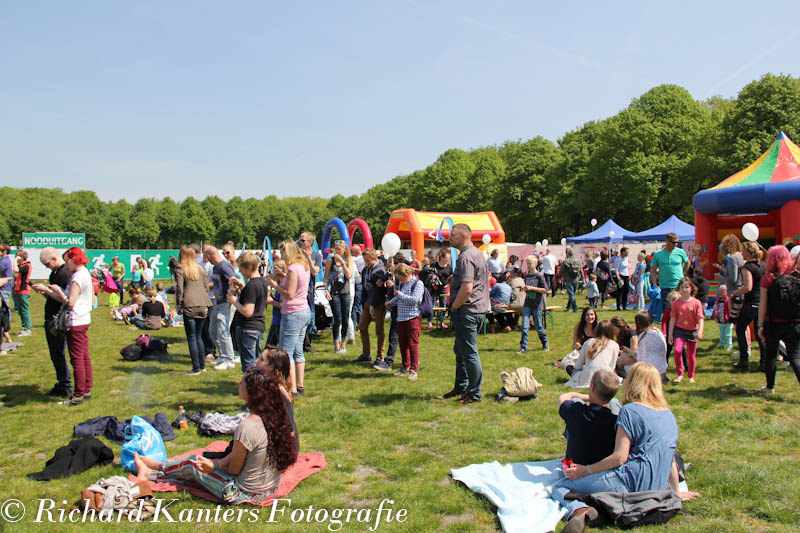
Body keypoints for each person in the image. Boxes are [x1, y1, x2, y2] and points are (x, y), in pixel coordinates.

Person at [553, 362, 698, 532]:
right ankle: (594, 509)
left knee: (560, 487)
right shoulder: (668, 414)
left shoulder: (630, 411)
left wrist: (587, 470)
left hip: (631, 483)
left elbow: (619, 457)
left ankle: (579, 510)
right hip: (657, 488)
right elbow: (670, 460)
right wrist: (675, 493)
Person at [133, 367, 297, 504]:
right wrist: (216, 465)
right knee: (201, 468)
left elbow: (234, 469)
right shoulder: (276, 416)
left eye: (241, 382)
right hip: (271, 486)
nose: (238, 385)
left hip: (243, 493)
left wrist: (216, 466)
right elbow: (240, 455)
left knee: (192, 465)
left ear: (251, 392)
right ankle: (153, 473)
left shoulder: (247, 426)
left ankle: (159, 467)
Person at [441, 223, 489, 404]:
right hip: (477, 309)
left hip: (467, 310)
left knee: (468, 352)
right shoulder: (477, 254)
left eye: (452, 234)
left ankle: (474, 393)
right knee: (461, 350)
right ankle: (461, 387)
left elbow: (467, 288)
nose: (449, 237)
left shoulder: (466, 256)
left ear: (463, 236)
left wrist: (454, 306)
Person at [46, 247, 94, 406]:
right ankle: (86, 389)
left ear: (74, 259)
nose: (66, 264)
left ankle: (78, 394)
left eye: (67, 260)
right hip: (84, 319)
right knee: (84, 356)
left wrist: (58, 291)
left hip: (75, 321)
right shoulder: (85, 273)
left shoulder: (78, 277)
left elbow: (70, 301)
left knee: (77, 359)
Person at [267, 240, 310, 397]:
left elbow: (290, 294)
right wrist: (283, 277)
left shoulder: (292, 268)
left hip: (292, 313)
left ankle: (291, 389)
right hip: (303, 311)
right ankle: (300, 385)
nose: (281, 255)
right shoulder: (302, 266)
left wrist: (275, 285)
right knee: (298, 351)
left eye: (283, 251)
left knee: (287, 352)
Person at [757, 245, 800, 394]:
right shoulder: (794, 276)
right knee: (795, 356)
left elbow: (763, 304)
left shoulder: (768, 278)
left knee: (771, 356)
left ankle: (770, 387)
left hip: (773, 323)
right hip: (794, 322)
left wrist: (760, 324)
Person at [31, 247, 73, 397]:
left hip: (58, 319)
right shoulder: (55, 272)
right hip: (52, 316)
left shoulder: (64, 273)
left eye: (47, 264)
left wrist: (48, 291)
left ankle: (66, 385)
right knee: (55, 354)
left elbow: (66, 299)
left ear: (54, 259)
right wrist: (45, 293)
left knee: (58, 353)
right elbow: (54, 296)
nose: (46, 267)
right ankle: (62, 382)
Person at [558, 369, 620, 466]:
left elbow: (564, 397)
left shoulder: (576, 412)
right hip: (603, 466)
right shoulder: (617, 422)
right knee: (615, 402)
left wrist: (586, 396)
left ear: (592, 388)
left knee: (575, 400)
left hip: (575, 465)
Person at [174, 245, 213, 376]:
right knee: (199, 336)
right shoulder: (200, 269)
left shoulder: (180, 268)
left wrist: (179, 305)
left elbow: (179, 288)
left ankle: (196, 368)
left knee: (192, 337)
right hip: (203, 304)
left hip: (190, 304)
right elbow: (206, 287)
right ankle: (202, 366)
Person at [229, 252, 269, 373]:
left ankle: (250, 388)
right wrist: (242, 288)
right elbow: (256, 300)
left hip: (248, 327)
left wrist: (234, 301)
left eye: (241, 268)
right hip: (259, 327)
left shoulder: (252, 285)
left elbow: (248, 311)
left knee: (248, 363)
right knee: (258, 361)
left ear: (249, 268)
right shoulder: (263, 282)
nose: (240, 271)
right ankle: (259, 385)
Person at [257, 347, 299, 454]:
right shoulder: (273, 387)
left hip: (283, 451)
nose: (256, 361)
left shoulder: (277, 393)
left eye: (261, 359)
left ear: (271, 367)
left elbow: (289, 430)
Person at [732, 241, 765, 371]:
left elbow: (748, 287)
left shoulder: (747, 267)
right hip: (761, 303)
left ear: (748, 252)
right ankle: (764, 361)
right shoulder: (762, 265)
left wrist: (735, 292)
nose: (741, 253)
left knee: (740, 329)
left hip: (751, 303)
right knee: (760, 333)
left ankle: (744, 360)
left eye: (743, 251)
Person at [389, 263, 425, 381]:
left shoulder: (418, 283)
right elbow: (400, 297)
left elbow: (415, 300)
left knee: (413, 344)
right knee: (403, 344)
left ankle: (413, 370)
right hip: (401, 318)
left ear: (406, 274)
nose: (399, 280)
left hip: (413, 318)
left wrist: (399, 294)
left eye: (400, 277)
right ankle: (405, 366)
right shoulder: (403, 284)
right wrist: (390, 302)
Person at [353, 248, 388, 364]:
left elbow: (377, 290)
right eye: (365, 260)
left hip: (378, 303)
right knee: (362, 327)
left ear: (375, 258)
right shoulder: (365, 269)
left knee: (379, 329)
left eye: (368, 260)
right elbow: (365, 286)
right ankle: (366, 354)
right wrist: (364, 302)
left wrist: (372, 304)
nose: (366, 262)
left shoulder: (380, 270)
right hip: (368, 302)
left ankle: (380, 356)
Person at [205, 246, 237, 371]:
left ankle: (229, 359)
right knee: (213, 330)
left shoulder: (224, 266)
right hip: (217, 302)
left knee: (223, 331)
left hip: (226, 303)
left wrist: (231, 298)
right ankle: (222, 355)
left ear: (209, 256)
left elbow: (233, 281)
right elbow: (218, 283)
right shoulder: (215, 267)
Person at [668, 277, 704, 384]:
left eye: (687, 287)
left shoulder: (696, 303)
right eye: (682, 287)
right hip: (679, 330)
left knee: (691, 355)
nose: (684, 289)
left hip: (692, 331)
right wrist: (670, 334)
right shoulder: (676, 303)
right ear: (679, 289)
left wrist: (700, 331)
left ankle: (691, 375)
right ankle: (680, 374)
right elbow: (672, 319)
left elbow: (700, 318)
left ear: (691, 289)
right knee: (678, 350)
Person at [564, 320, 620, 389]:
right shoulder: (614, 345)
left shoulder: (588, 342)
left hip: (587, 378)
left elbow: (578, 366)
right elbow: (612, 367)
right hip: (605, 378)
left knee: (570, 368)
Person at [323, 240, 354, 354]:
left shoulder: (349, 260)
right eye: (335, 248)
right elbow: (325, 278)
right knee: (337, 319)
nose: (337, 251)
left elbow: (349, 275)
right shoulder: (330, 260)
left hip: (345, 293)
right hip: (334, 293)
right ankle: (336, 343)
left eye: (339, 249)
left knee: (346, 318)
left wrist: (342, 262)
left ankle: (343, 343)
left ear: (345, 250)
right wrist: (326, 290)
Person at [618, 312, 668, 381]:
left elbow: (641, 358)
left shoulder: (644, 336)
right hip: (662, 367)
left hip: (650, 370)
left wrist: (629, 352)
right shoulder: (657, 331)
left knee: (625, 365)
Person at [517, 255, 549, 354]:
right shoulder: (526, 276)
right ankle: (523, 347)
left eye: (530, 263)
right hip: (528, 303)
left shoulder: (539, 275)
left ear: (535, 264)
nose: (528, 265)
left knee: (538, 326)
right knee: (524, 326)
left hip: (537, 304)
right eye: (527, 263)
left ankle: (545, 343)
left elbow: (545, 290)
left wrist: (532, 288)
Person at [650, 232, 689, 311]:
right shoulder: (658, 254)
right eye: (674, 242)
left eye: (677, 242)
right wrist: (654, 284)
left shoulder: (680, 252)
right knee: (667, 310)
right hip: (665, 286)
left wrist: (683, 274)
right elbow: (653, 270)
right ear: (667, 241)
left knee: (681, 308)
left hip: (679, 285)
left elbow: (687, 262)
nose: (676, 244)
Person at [299, 232, 322, 351]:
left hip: (308, 289)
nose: (300, 242)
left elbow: (315, 272)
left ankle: (307, 344)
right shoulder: (296, 254)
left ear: (310, 242)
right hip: (297, 289)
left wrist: (308, 258)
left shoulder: (316, 256)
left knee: (309, 315)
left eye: (303, 241)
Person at [265, 259, 286, 347]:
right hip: (276, 320)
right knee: (269, 346)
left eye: (276, 268)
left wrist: (271, 302)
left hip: (280, 320)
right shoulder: (279, 283)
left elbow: (284, 306)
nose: (274, 271)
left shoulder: (283, 285)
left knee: (279, 346)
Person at [13, 250, 32, 336]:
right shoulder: (22, 266)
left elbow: (15, 270)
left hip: (24, 290)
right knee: (21, 310)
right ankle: (24, 327)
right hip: (19, 290)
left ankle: (27, 329)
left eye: (17, 258)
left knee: (24, 310)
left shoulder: (26, 266)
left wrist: (15, 260)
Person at [711, 285, 732, 351]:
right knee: (722, 333)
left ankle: (729, 345)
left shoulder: (728, 300)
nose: (721, 294)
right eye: (720, 292)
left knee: (728, 334)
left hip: (727, 320)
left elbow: (730, 309)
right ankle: (722, 344)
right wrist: (715, 315)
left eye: (722, 292)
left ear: (727, 292)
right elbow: (715, 309)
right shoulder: (718, 301)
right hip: (721, 319)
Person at [562, 248, 582, 313]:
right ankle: (568, 307)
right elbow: (581, 270)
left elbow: (562, 270)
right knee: (572, 294)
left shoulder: (566, 261)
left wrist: (559, 278)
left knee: (571, 295)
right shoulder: (578, 261)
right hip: (576, 279)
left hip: (569, 279)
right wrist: (583, 278)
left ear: (568, 254)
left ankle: (575, 308)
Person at [0, 244, 13, 338]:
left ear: (4, 251)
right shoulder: (6, 260)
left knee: (4, 310)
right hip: (5, 288)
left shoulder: (4, 261)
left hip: (3, 288)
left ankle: (5, 329)